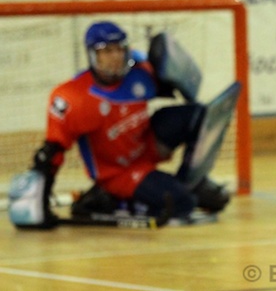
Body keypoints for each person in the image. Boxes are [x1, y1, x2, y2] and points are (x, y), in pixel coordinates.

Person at [9, 21, 231, 229]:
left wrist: (168, 65)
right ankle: (108, 198)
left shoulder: (140, 72)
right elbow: (52, 152)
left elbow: (179, 88)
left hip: (145, 146)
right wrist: (40, 202)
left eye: (119, 49)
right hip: (118, 173)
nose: (115, 57)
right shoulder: (74, 97)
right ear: (92, 55)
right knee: (182, 204)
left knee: (197, 115)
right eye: (106, 51)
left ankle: (191, 183)